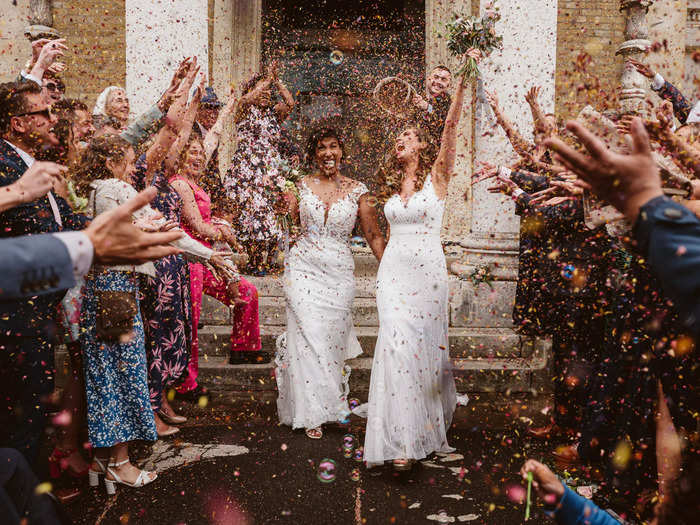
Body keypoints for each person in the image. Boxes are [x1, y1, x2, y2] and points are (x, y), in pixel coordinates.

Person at [363, 49, 479, 471]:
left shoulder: (439, 176)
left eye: (408, 137)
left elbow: (450, 126)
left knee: (422, 351)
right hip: (394, 273)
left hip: (428, 273)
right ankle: (399, 441)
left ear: (424, 144)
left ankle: (422, 430)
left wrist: (463, 78)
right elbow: (380, 232)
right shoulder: (392, 186)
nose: (400, 140)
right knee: (394, 344)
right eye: (399, 138)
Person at [0, 80, 90, 465]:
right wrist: (18, 191)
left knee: (32, 412)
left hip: (37, 312)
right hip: (11, 315)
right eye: (44, 112)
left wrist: (118, 228)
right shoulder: (5, 163)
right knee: (18, 417)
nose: (54, 119)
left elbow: (63, 220)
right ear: (18, 123)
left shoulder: (33, 163)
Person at [275, 127, 384, 439]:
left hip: (338, 274)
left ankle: (330, 405)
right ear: (313, 154)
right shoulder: (299, 186)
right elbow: (287, 224)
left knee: (330, 342)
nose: (327, 153)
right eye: (321, 148)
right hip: (303, 267)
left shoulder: (358, 190)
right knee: (308, 338)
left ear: (342, 151)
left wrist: (391, 272)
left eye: (333, 147)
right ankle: (311, 413)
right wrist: (280, 202)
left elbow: (374, 235)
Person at [170, 135, 261, 373]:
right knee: (191, 321)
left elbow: (207, 224)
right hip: (190, 260)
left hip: (211, 258)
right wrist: (224, 233)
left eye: (201, 153)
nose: (199, 157)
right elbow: (198, 227)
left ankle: (244, 348)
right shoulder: (180, 184)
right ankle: (187, 381)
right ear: (180, 155)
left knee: (247, 291)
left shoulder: (197, 183)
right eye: (193, 152)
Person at [223, 60, 295, 274]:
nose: (265, 94)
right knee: (250, 211)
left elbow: (290, 103)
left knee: (271, 210)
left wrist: (277, 81)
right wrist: (265, 81)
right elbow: (247, 97)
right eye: (261, 90)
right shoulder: (244, 109)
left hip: (269, 169)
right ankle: (253, 259)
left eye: (268, 91)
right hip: (247, 168)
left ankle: (267, 258)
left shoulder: (274, 114)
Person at [412, 65, 453, 150]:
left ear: (448, 85)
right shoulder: (421, 96)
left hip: (434, 153)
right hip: (414, 150)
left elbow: (440, 122)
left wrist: (427, 107)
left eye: (443, 79)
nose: (438, 81)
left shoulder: (448, 102)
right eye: (436, 77)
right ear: (429, 78)